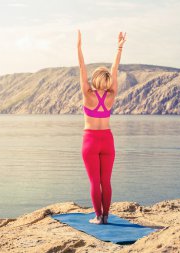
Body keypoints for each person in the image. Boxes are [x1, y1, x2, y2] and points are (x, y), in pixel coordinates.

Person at [77, 29, 126, 224]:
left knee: (94, 182)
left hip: (90, 140)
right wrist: (119, 47)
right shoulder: (111, 96)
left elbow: (82, 69)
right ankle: (106, 216)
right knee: (105, 181)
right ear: (107, 80)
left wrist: (79, 48)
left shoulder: (88, 95)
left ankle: (98, 217)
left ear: (95, 78)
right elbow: (115, 69)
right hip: (107, 140)